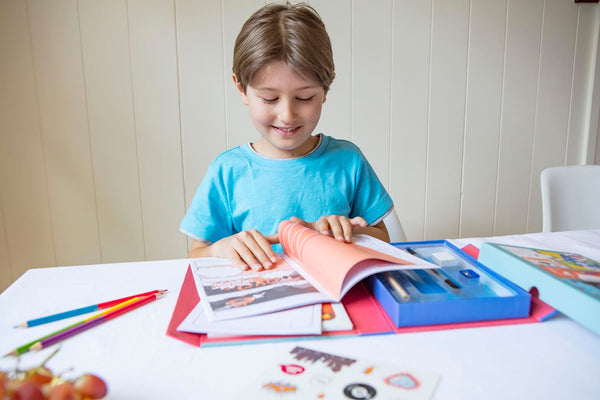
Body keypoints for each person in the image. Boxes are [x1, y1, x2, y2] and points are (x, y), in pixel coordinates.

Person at [180, 2, 394, 271]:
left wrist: (350, 232)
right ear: (241, 88)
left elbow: (383, 238)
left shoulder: (348, 160)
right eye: (270, 98)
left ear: (326, 89)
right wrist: (221, 249)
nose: (287, 115)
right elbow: (195, 256)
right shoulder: (227, 171)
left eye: (304, 98)